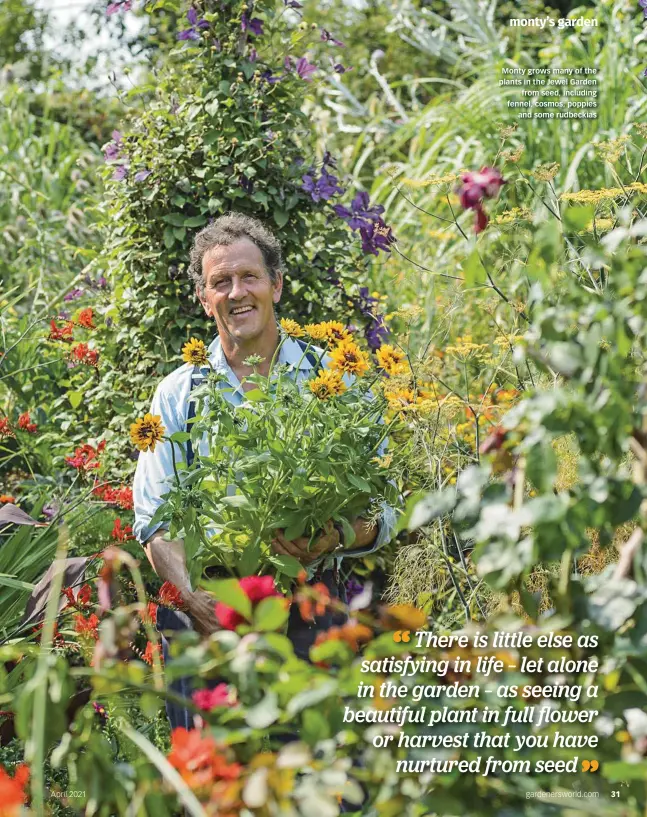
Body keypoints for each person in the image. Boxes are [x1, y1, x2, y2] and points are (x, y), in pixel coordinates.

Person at [132, 212, 396, 729]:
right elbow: (153, 518)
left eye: (249, 277)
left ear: (276, 284)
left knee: (321, 781)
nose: (236, 292)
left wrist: (339, 533)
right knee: (218, 789)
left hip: (312, 610)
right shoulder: (178, 394)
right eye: (220, 282)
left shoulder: (336, 381)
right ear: (204, 299)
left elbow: (387, 505)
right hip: (210, 614)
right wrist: (194, 599)